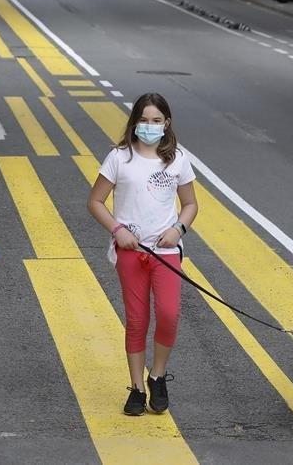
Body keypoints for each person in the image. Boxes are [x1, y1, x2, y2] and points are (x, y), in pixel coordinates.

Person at [86, 92, 199, 417]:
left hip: (166, 252)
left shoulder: (177, 158)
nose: (149, 126)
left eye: (156, 121)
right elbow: (95, 201)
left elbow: (191, 204)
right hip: (130, 252)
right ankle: (136, 387)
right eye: (144, 120)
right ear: (134, 122)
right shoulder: (119, 158)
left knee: (168, 314)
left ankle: (157, 376)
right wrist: (117, 230)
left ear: (166, 123)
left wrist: (178, 230)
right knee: (137, 320)